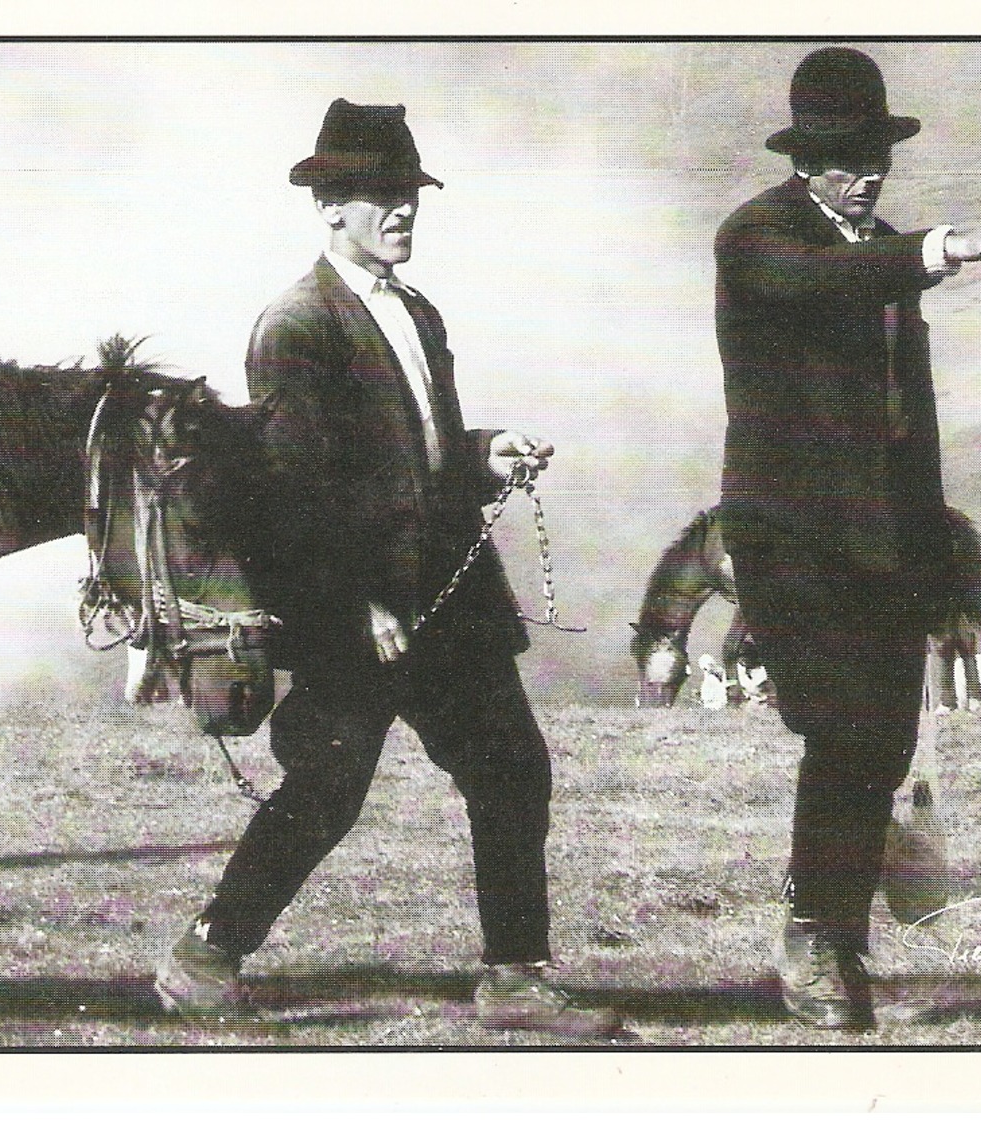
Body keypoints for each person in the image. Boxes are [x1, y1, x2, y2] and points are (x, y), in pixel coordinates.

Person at [154, 99, 621, 1039]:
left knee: (509, 770)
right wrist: (354, 603)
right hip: (357, 610)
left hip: (447, 601)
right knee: (327, 789)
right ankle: (203, 955)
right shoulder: (295, 324)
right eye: (379, 197)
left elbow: (421, 448)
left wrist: (487, 449)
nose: (402, 212)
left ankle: (515, 980)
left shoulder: (416, 312)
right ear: (328, 207)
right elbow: (291, 492)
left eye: (408, 194)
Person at [713, 47, 981, 1029]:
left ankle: (831, 932)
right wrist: (945, 247)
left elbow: (914, 421)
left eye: (872, 154)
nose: (861, 174)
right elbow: (825, 282)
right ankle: (814, 929)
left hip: (888, 542)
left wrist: (940, 562)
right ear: (801, 158)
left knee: (884, 736)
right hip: (791, 542)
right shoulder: (756, 239)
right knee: (841, 728)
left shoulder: (882, 245)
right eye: (840, 156)